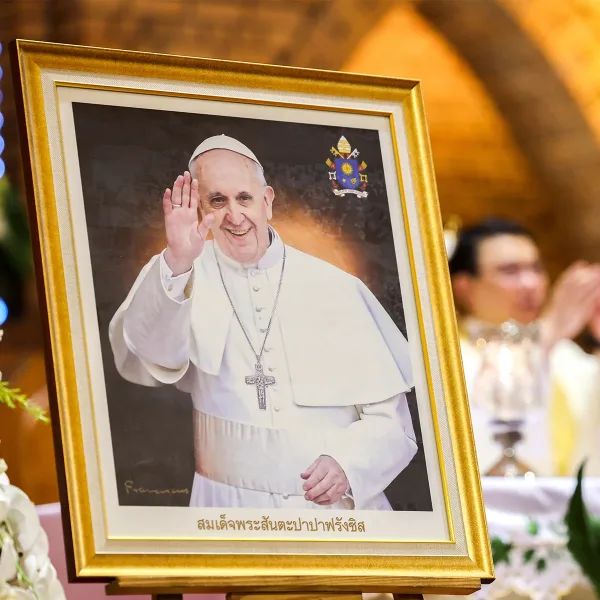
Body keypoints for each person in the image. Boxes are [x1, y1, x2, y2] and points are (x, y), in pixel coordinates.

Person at [108, 134, 418, 511]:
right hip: (227, 509)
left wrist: (349, 465)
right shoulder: (177, 273)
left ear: (267, 201)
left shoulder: (337, 287)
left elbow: (393, 425)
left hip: (333, 512)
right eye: (217, 201)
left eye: (244, 198)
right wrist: (178, 261)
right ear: (198, 207)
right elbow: (149, 358)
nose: (234, 216)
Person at [449, 218, 600, 477]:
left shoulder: (564, 353)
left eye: (536, 268)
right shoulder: (449, 356)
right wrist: (547, 332)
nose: (531, 283)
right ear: (464, 288)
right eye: (510, 271)